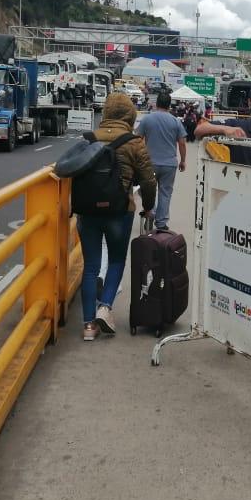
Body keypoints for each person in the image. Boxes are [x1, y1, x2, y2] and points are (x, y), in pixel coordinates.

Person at [77, 93, 157, 341]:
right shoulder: (134, 143)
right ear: (130, 116)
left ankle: (89, 326)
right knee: (116, 260)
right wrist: (149, 207)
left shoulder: (88, 140)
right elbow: (148, 180)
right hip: (120, 211)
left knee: (90, 266)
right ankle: (105, 307)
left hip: (87, 210)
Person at [136, 91, 186, 232]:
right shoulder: (175, 121)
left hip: (149, 163)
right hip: (169, 164)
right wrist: (183, 161)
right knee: (165, 193)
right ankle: (161, 223)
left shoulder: (147, 119)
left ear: (156, 103)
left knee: (144, 189)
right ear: (169, 105)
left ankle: (151, 211)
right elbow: (182, 143)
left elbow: (138, 139)